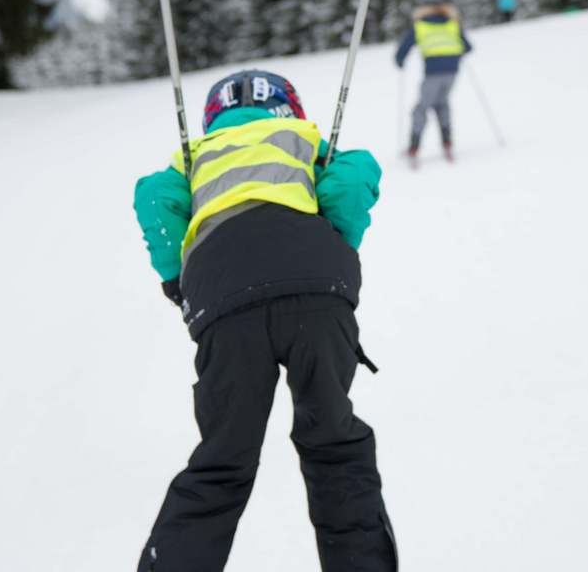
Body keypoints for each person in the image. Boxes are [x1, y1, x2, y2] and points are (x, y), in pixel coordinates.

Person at [132, 69, 396, 572]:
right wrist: (332, 241)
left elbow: (154, 199)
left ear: (214, 115)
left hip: (224, 300)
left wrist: (175, 277)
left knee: (222, 462)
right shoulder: (303, 138)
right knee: (335, 447)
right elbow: (355, 174)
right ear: (288, 105)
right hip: (317, 293)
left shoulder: (195, 155)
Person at [394, 0, 473, 166]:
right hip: (452, 70)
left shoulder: (420, 25)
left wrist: (400, 60)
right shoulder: (452, 23)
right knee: (442, 104)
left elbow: (405, 46)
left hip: (433, 71)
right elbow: (467, 47)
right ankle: (447, 143)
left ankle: (414, 147)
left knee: (422, 107)